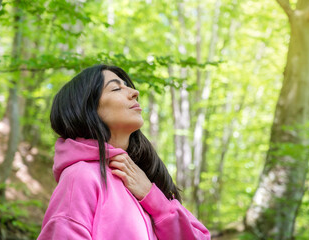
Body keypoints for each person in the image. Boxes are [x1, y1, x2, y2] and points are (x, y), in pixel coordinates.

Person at [37, 64, 210, 240]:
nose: (135, 93)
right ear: (88, 109)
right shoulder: (80, 177)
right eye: (116, 88)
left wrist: (152, 198)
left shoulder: (139, 179)